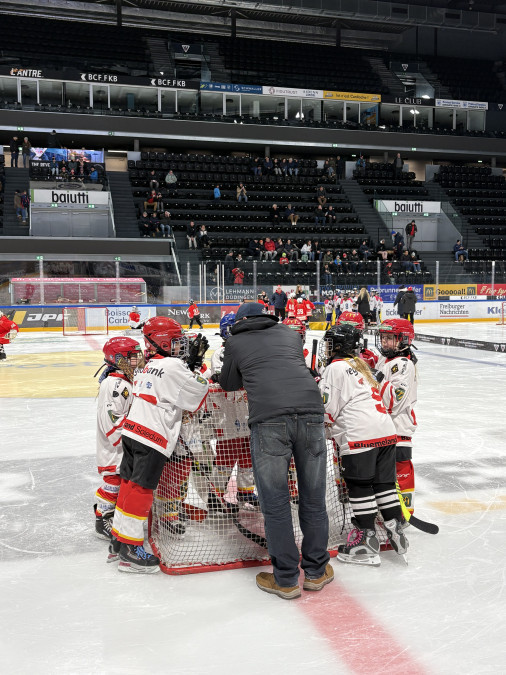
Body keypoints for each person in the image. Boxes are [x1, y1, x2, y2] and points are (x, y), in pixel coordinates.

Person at [219, 303, 332, 599]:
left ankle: (285, 578)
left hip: (269, 419)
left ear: (241, 321)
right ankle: (317, 571)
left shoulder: (235, 340)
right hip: (311, 413)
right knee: (313, 496)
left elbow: (229, 382)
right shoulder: (289, 334)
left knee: (276, 503)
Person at [108, 317, 209, 573]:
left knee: (129, 487)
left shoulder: (145, 364)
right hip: (152, 436)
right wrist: (195, 365)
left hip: (132, 433)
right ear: (163, 341)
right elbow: (198, 394)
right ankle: (131, 549)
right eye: (176, 341)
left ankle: (119, 539)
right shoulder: (174, 365)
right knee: (141, 491)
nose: (180, 346)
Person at [319, 324, 407, 566]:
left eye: (329, 343)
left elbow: (327, 410)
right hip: (387, 432)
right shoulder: (361, 365)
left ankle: (365, 541)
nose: (326, 348)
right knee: (384, 484)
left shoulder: (335, 368)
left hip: (360, 434)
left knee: (360, 486)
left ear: (337, 345)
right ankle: (395, 525)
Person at [94, 337, 143, 540]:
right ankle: (102, 517)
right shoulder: (113, 384)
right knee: (113, 482)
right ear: (118, 358)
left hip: (124, 445)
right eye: (132, 356)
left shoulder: (123, 380)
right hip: (116, 449)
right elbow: (111, 421)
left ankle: (115, 515)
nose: (137, 360)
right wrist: (130, 440)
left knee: (123, 482)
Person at [375, 319, 418, 516]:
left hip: (398, 429)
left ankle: (402, 513)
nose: (384, 342)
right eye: (383, 337)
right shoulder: (387, 360)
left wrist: (374, 376)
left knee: (400, 475)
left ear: (404, 339)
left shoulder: (404, 364)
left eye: (390, 338)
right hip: (382, 429)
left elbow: (393, 402)